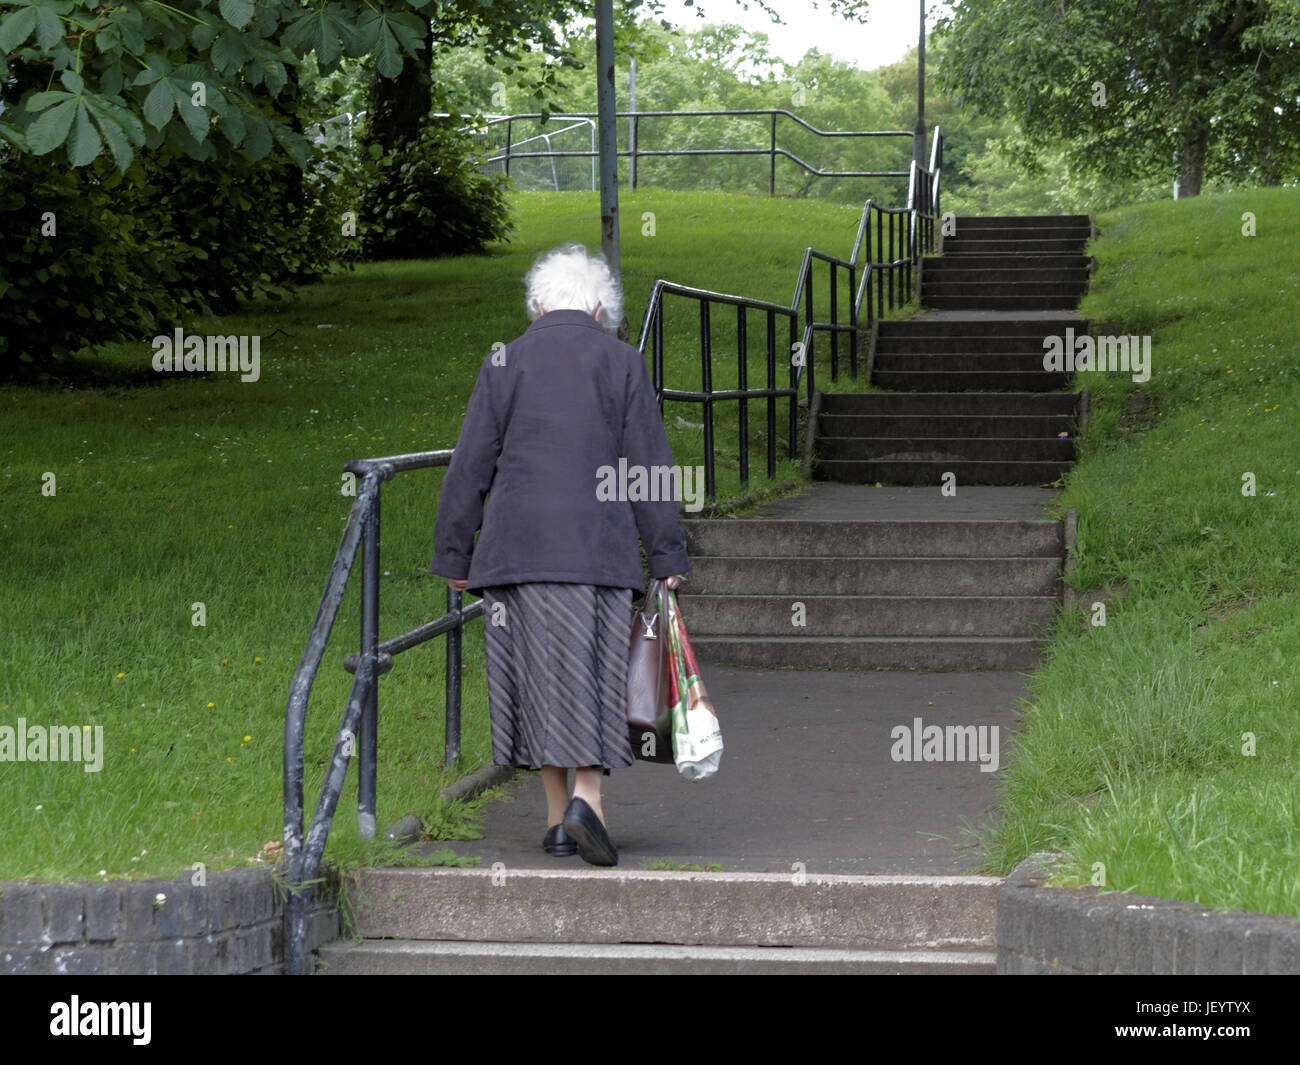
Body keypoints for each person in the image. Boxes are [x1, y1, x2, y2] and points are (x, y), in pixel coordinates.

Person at [430, 242, 690, 867]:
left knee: (537, 680)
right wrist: (665, 555)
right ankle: (588, 804)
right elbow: (647, 466)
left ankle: (554, 821)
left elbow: (470, 464)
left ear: (539, 305)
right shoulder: (622, 362)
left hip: (514, 555)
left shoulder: (504, 361)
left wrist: (454, 555)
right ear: (600, 309)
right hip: (593, 552)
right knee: (593, 675)